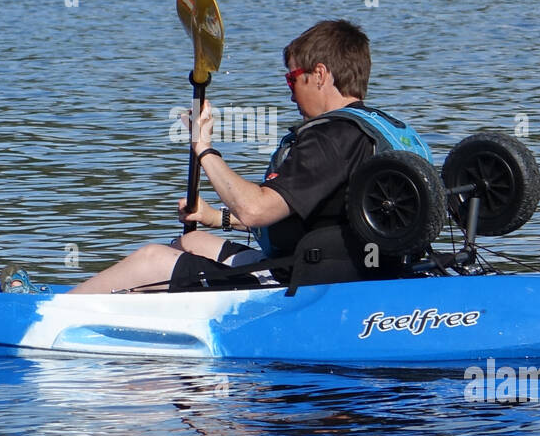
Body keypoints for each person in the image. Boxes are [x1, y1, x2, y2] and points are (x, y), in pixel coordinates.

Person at [67, 19, 431, 295]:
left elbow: (258, 210)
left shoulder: (329, 137)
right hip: (359, 267)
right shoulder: (378, 128)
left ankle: (49, 313)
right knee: (189, 242)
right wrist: (214, 217)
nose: (290, 95)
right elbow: (315, 212)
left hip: (309, 282)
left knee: (151, 260)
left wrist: (203, 147)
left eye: (292, 81)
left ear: (319, 75)